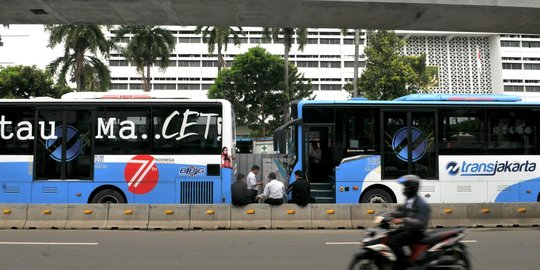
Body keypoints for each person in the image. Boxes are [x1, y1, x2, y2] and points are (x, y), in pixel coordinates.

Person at [387, 175, 431, 270]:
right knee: (389, 237)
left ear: (412, 187)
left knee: (395, 242)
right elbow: (404, 213)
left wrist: (403, 220)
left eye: (406, 186)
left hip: (416, 232)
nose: (404, 189)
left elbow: (421, 222)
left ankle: (403, 265)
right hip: (409, 229)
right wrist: (390, 214)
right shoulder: (410, 200)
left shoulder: (420, 203)